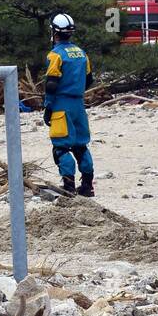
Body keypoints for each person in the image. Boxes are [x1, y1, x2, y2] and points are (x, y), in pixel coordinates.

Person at [43, 13, 94, 196]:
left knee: (61, 147)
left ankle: (69, 185)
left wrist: (48, 106)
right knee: (81, 146)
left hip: (61, 105)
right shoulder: (81, 53)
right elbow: (89, 80)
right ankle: (87, 185)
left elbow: (51, 83)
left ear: (54, 32)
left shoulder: (55, 55)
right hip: (79, 106)